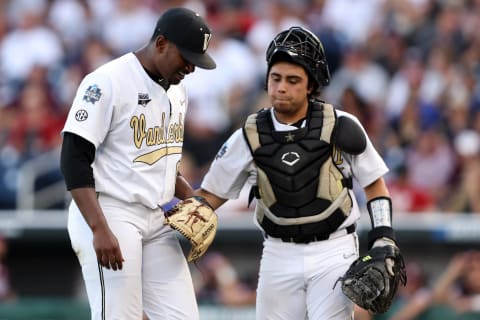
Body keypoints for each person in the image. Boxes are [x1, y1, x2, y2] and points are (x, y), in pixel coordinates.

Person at [194, 26, 404, 319]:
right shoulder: (248, 135)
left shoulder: (341, 124)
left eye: (293, 80)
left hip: (334, 249)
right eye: (275, 78)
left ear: (310, 86)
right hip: (278, 252)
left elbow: (375, 185)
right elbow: (209, 197)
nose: (281, 87)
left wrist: (384, 236)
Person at [59, 7, 216, 320]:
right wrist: (99, 228)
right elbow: (73, 158)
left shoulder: (178, 89)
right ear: (161, 43)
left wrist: (193, 199)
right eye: (186, 57)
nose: (191, 68)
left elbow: (161, 159)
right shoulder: (107, 81)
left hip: (156, 216)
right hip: (110, 211)